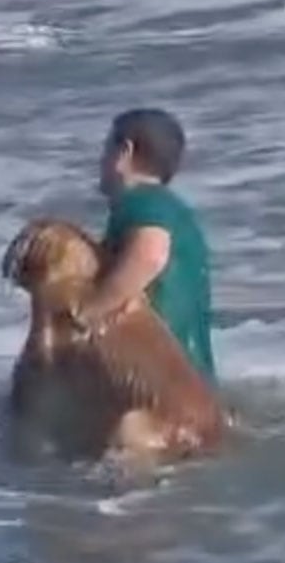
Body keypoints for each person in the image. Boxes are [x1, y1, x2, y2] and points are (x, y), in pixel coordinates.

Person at [73, 107, 217, 382]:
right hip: (195, 375)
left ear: (124, 152)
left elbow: (150, 256)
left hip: (162, 378)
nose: (100, 161)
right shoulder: (173, 208)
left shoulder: (142, 201)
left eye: (106, 150)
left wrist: (88, 314)